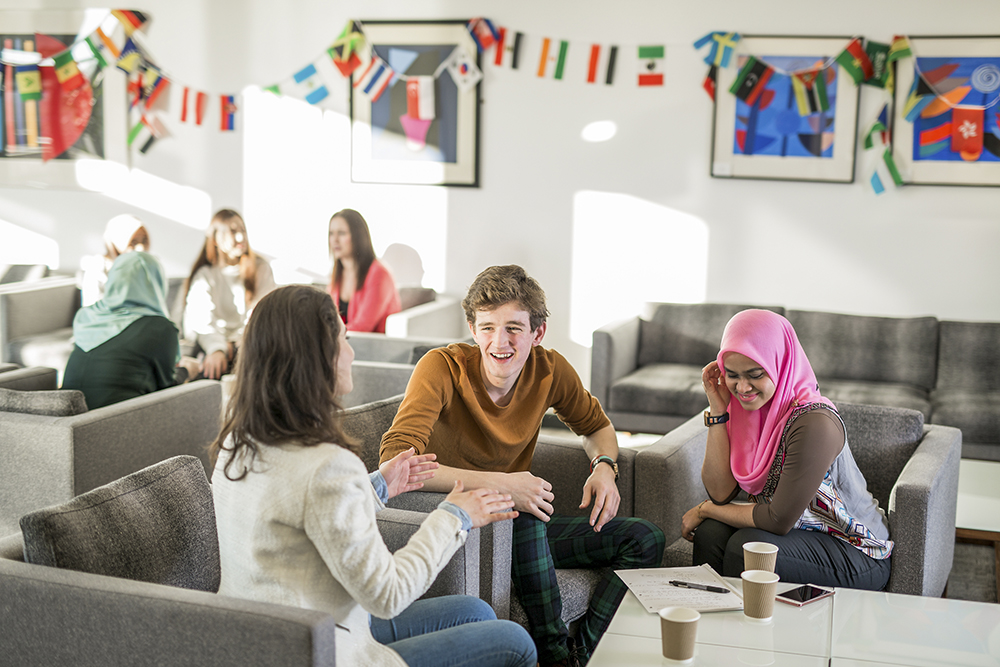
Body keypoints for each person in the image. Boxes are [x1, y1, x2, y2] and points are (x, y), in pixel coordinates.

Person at [210, 284, 537, 667]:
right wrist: (454, 516)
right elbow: (388, 595)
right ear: (317, 358)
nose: (350, 352)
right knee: (515, 641)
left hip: (267, 640)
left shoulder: (238, 442)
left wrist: (379, 484)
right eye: (344, 340)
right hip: (319, 653)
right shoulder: (327, 465)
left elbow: (300, 507)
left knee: (474, 611)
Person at [379, 265, 665, 667]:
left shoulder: (548, 370)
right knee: (525, 510)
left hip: (515, 530)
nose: (500, 341)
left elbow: (597, 426)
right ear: (473, 329)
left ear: (537, 333)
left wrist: (604, 467)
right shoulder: (442, 367)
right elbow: (396, 461)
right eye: (487, 327)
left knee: (645, 538)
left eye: (514, 328)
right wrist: (502, 485)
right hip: (453, 525)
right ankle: (553, 655)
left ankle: (582, 651)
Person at [680, 309, 892, 590]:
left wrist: (705, 509)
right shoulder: (748, 413)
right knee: (711, 534)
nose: (742, 387)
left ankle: (749, 630)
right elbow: (720, 492)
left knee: (747, 547)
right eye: (732, 375)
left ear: (781, 365)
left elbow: (777, 520)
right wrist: (718, 410)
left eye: (755, 375)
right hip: (801, 534)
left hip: (856, 551)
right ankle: (711, 623)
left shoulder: (814, 422)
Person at [63, 251, 190, 409]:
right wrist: (187, 370)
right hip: (120, 423)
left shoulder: (84, 316)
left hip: (68, 421)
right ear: (156, 282)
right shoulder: (160, 327)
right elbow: (168, 387)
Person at [182, 209, 276, 379]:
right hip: (213, 346)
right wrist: (218, 349)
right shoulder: (205, 275)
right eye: (233, 231)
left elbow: (261, 314)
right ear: (216, 238)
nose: (240, 237)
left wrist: (241, 343)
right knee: (210, 368)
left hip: (249, 344)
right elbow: (202, 321)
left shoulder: (261, 268)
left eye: (242, 230)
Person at [328, 208, 401, 333]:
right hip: (343, 344)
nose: (334, 240)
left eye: (341, 233)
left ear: (358, 236)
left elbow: (363, 326)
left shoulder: (379, 273)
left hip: (370, 347)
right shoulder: (337, 274)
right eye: (331, 233)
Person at [78, 213, 150, 307]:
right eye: (133, 242)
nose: (140, 248)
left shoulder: (146, 267)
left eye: (143, 241)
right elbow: (91, 307)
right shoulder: (98, 266)